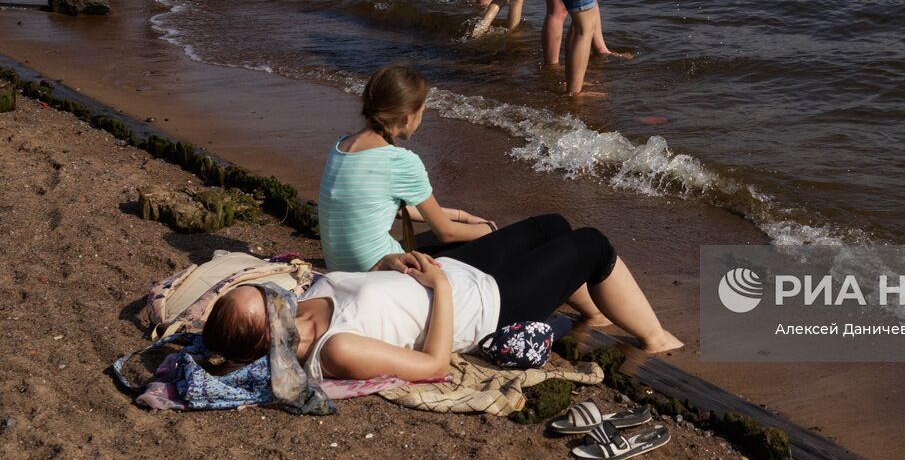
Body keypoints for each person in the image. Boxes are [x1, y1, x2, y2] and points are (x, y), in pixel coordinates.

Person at [201, 230, 684, 382]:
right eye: (266, 302)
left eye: (263, 290)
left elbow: (373, 297)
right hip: (484, 304)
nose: (273, 292)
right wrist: (442, 289)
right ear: (271, 335)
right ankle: (655, 339)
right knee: (594, 245)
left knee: (551, 224)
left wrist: (387, 262)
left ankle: (595, 313)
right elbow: (432, 365)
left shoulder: (301, 306)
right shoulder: (335, 350)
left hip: (448, 270)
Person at [317, 64, 502, 275]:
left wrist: (462, 216)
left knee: (439, 240)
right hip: (382, 273)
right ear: (407, 116)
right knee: (485, 245)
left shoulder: (341, 146)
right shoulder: (399, 161)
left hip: (340, 270)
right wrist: (491, 230)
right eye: (422, 112)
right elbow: (446, 232)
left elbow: (385, 207)